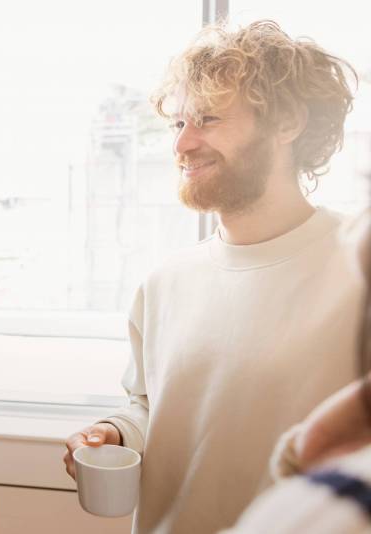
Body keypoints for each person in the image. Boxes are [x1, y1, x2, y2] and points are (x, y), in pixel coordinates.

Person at [63, 20, 365, 534]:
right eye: (177, 123)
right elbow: (150, 406)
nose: (182, 144)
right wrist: (116, 432)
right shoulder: (163, 284)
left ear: (287, 121)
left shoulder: (357, 273)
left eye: (205, 118)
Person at [224, 211, 371, 532]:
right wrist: (122, 427)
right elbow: (148, 397)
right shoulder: (163, 277)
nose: (180, 156)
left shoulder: (342, 261)